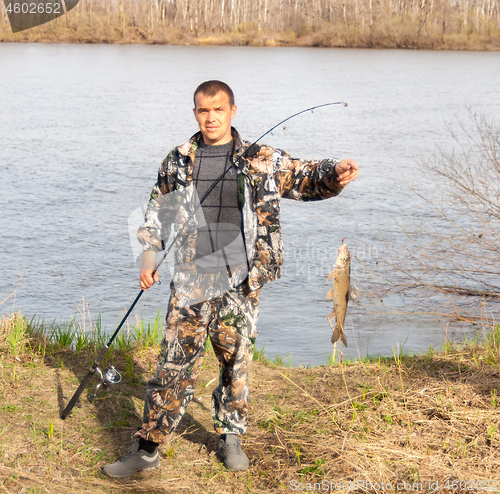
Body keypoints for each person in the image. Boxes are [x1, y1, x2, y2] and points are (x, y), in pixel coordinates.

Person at [102, 80, 359, 478]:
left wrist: (336, 173)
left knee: (235, 363)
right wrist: (148, 260)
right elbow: (157, 213)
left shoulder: (261, 158)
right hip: (190, 277)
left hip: (241, 277)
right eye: (204, 111)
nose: (211, 117)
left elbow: (305, 177)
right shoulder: (178, 160)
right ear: (195, 114)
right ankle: (147, 447)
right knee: (173, 363)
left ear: (232, 111)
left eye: (218, 110)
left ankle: (230, 436)